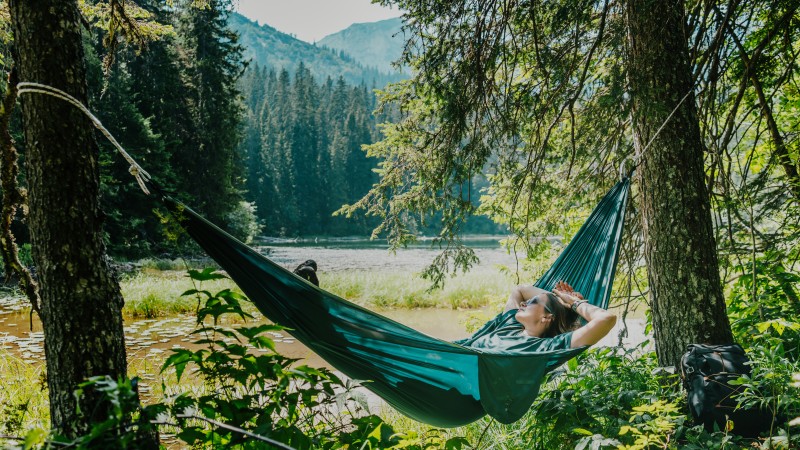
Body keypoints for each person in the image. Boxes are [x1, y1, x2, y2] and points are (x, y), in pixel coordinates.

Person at [504, 280, 616, 348]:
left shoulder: (547, 347)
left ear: (546, 317)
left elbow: (607, 319)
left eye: (532, 301)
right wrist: (560, 299)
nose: (522, 303)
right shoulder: (510, 324)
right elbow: (520, 290)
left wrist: (574, 303)